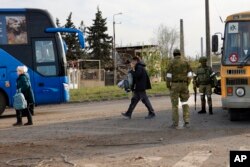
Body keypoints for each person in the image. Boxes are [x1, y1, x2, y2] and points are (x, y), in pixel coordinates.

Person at [166, 49, 193, 129]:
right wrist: (187, 83)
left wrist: (168, 85)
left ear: (174, 54)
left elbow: (168, 75)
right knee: (185, 103)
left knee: (175, 105)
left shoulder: (171, 63)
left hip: (174, 85)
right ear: (180, 54)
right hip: (184, 84)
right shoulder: (186, 62)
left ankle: (175, 123)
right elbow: (190, 74)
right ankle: (187, 121)